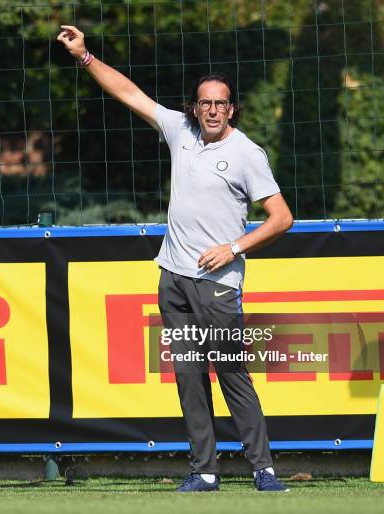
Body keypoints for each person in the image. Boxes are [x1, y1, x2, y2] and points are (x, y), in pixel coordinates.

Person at [58, 25, 294, 493]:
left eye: (221, 103)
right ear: (194, 107)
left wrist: (234, 247)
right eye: (205, 102)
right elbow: (128, 92)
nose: (212, 109)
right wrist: (84, 57)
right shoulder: (178, 129)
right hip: (174, 280)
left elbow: (282, 217)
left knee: (231, 373)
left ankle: (263, 468)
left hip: (219, 283)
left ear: (232, 108)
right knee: (189, 379)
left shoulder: (247, 154)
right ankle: (204, 470)